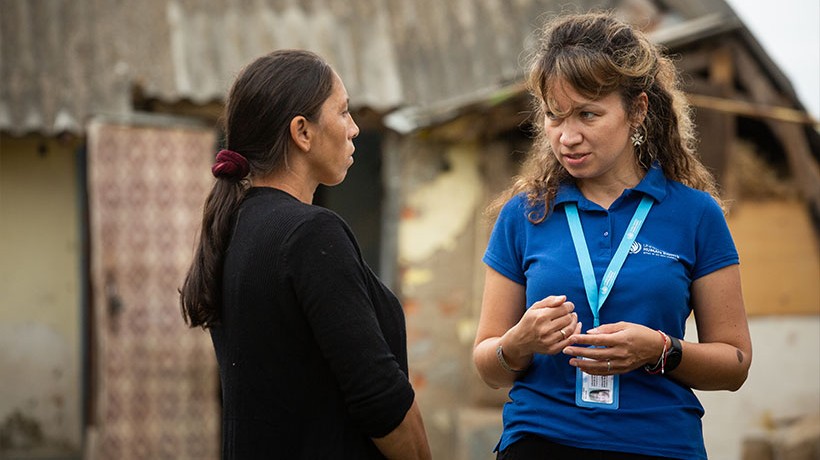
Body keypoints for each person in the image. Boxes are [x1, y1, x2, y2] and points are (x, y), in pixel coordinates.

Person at [473, 12, 752, 459]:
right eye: (554, 116)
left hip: (660, 444)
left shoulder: (695, 215)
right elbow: (489, 367)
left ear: (638, 110)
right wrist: (518, 342)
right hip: (541, 439)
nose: (567, 136)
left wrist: (662, 350)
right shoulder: (524, 215)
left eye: (588, 114)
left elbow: (735, 365)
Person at [179, 50, 431, 459]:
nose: (353, 130)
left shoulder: (234, 226)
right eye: (344, 112)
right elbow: (379, 397)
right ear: (303, 132)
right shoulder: (311, 234)